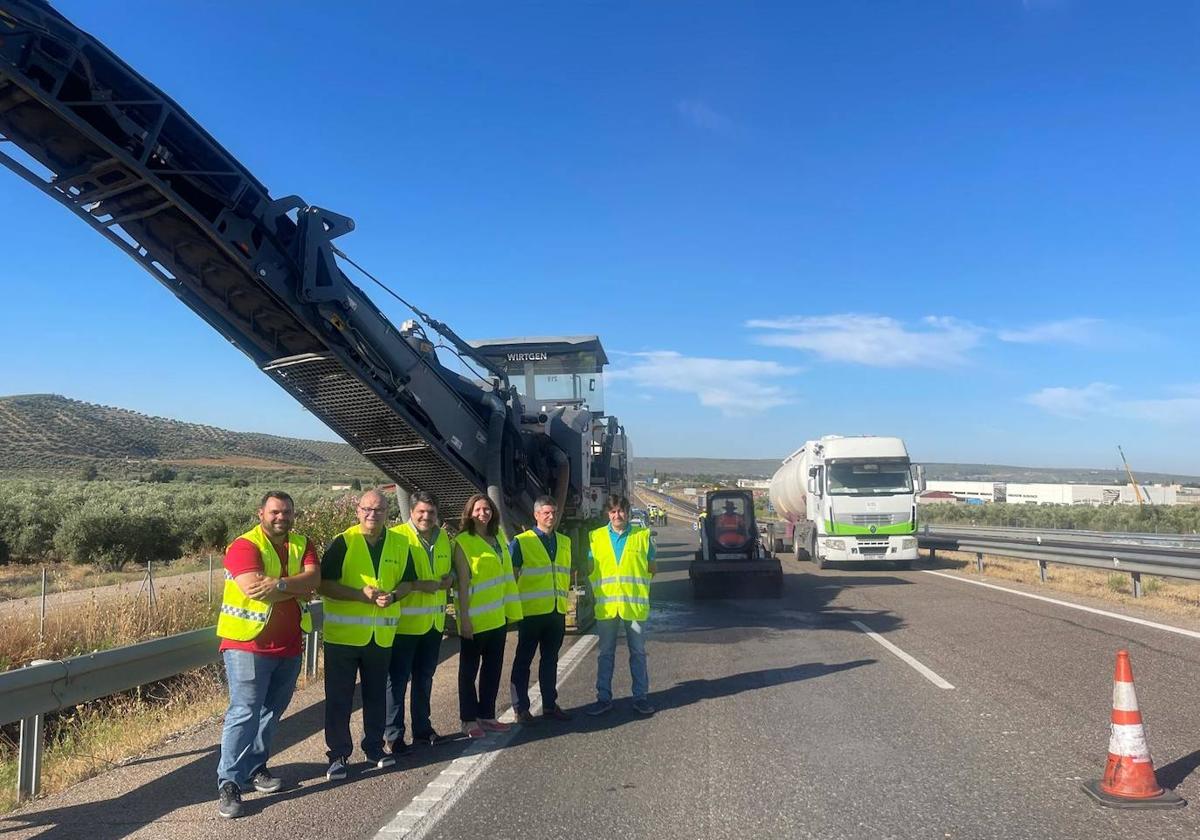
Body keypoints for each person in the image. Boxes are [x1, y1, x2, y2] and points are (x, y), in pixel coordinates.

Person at [215, 491, 320, 820]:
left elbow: (315, 580)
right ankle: (229, 783)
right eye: (275, 512)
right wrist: (296, 585)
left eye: (287, 512)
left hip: (289, 644)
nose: (281, 517)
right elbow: (252, 587)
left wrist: (282, 584)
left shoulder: (303, 543)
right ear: (261, 513)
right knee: (244, 712)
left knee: (272, 711)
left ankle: (255, 768)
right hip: (248, 644)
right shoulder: (244, 545)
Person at [318, 489, 410, 780]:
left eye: (379, 510)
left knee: (375, 696)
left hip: (379, 637)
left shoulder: (399, 543)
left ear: (387, 513)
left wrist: (394, 596)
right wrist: (360, 595)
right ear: (357, 511)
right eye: (367, 509)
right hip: (343, 638)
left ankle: (374, 748)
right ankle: (338, 755)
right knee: (339, 698)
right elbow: (323, 585)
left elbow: (408, 581)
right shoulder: (343, 543)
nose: (373, 515)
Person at [385, 490, 454, 753]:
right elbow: (391, 577)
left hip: (434, 624)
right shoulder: (397, 537)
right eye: (421, 512)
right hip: (405, 625)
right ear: (411, 512)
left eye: (431, 512)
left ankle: (423, 730)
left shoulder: (444, 537)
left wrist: (449, 580)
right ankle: (393, 735)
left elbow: (446, 572)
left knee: (425, 678)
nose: (426, 517)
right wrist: (416, 585)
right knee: (398, 680)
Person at [453, 493, 522, 738]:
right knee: (469, 672)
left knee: (492, 670)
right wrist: (465, 620)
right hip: (475, 618)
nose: (483, 513)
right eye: (478, 509)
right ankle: (468, 719)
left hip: (497, 617)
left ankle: (487, 715)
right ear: (469, 513)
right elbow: (462, 584)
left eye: (487, 509)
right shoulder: (463, 541)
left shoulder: (498, 538)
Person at [586, 494, 656, 717]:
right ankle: (603, 698)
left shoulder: (643, 537)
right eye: (613, 511)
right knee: (605, 654)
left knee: (638, 653)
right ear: (608, 513)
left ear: (628, 512)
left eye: (621, 510)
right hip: (607, 607)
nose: (617, 515)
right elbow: (590, 568)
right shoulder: (595, 538)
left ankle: (640, 698)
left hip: (633, 608)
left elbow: (652, 568)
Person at [508, 495, 573, 723]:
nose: (550, 516)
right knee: (523, 660)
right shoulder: (521, 542)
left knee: (550, 660)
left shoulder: (564, 541)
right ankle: (520, 708)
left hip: (556, 611)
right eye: (545, 512)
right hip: (531, 612)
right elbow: (511, 577)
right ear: (536, 515)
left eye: (553, 512)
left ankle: (549, 704)